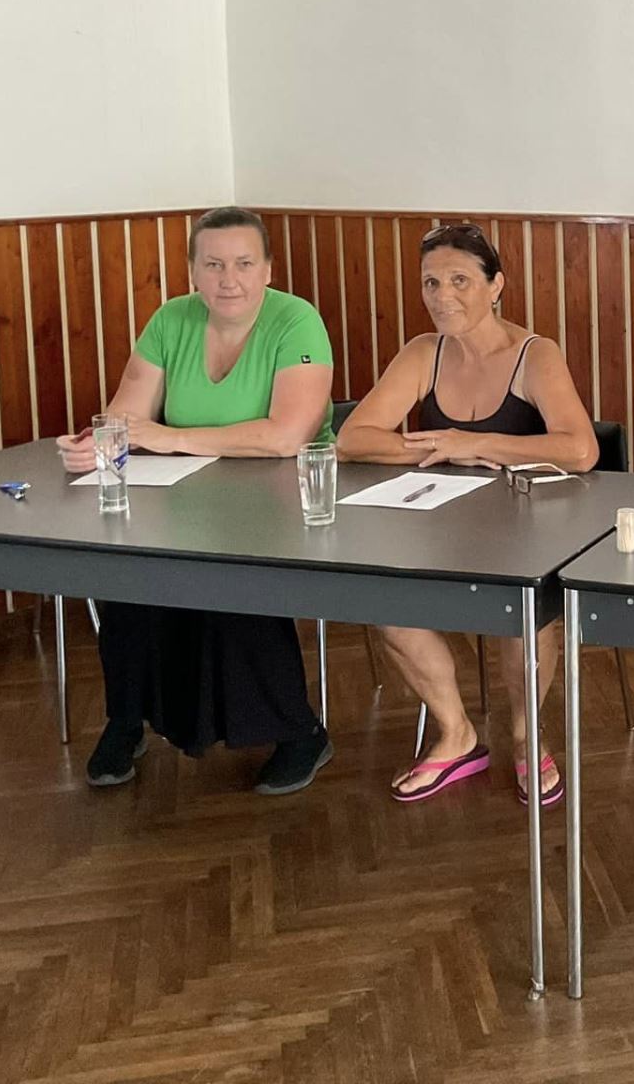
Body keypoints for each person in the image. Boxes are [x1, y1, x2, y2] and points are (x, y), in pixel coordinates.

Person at [59, 206, 336, 794]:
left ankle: (299, 731)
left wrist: (170, 438)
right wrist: (97, 448)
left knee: (232, 574)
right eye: (213, 265)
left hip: (284, 497)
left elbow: (287, 436)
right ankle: (126, 718)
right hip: (185, 496)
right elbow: (125, 415)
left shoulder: (297, 321)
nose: (228, 279)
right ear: (192, 272)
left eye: (243, 264)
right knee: (126, 568)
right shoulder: (170, 320)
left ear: (268, 270)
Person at [336, 222, 598, 808]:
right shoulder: (422, 352)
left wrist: (473, 443)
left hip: (526, 529)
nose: (442, 295)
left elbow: (580, 449)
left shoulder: (534, 354)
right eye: (431, 282)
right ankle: (456, 733)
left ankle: (528, 735)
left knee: (523, 608)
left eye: (459, 280)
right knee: (386, 601)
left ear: (495, 286)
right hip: (439, 527)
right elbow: (352, 439)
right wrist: (440, 448)